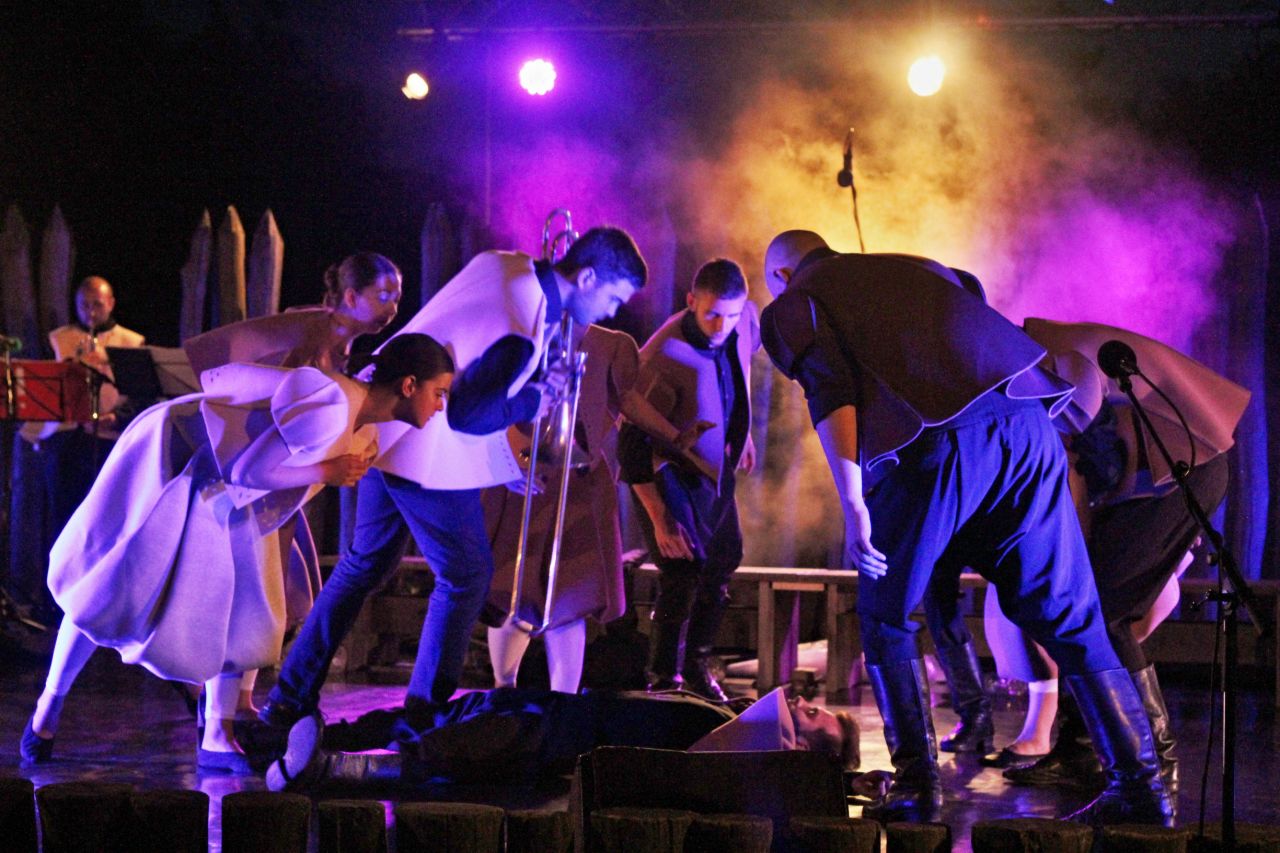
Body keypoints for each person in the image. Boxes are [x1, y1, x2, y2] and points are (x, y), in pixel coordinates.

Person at [758, 230, 1172, 826]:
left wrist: (854, 505)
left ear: (780, 276)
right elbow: (973, 302)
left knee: (884, 612)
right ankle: (1144, 792)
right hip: (1030, 426)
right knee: (1072, 618)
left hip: (940, 441)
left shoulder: (794, 302)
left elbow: (831, 390)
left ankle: (916, 788)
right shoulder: (919, 265)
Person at [260, 228, 648, 731]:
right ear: (588, 277)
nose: (612, 313)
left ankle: (287, 700)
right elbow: (468, 414)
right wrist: (534, 400)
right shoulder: (522, 328)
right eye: (614, 298)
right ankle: (424, 717)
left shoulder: (505, 265)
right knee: (465, 576)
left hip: (381, 423)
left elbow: (465, 362)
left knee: (363, 565)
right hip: (424, 447)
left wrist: (510, 431)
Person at [19, 334, 454, 773]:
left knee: (246, 605)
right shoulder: (335, 405)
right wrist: (327, 469)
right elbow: (247, 469)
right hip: (185, 465)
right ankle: (47, 710)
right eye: (438, 393)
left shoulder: (367, 428)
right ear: (408, 385)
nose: (440, 406)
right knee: (108, 589)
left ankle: (217, 732)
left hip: (239, 496)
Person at [979, 320, 1248, 813]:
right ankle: (1088, 752)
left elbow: (1078, 464)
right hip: (1159, 480)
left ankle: (1151, 764)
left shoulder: (1045, 361)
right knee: (1089, 614)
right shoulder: (1033, 359)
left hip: (1183, 470)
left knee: (1099, 615)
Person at [182, 252, 404, 715]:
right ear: (350, 296)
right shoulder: (311, 331)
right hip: (252, 478)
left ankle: (240, 700)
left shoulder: (345, 347)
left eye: (397, 297)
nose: (392, 307)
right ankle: (214, 698)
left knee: (272, 594)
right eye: (383, 295)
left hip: (280, 486)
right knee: (252, 593)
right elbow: (265, 400)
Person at [482, 322, 705, 695]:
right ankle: (504, 689)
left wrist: (674, 436)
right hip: (528, 473)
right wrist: (506, 462)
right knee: (516, 585)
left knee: (573, 591)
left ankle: (564, 702)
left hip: (582, 481)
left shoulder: (611, 344)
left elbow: (628, 400)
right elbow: (492, 401)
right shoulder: (522, 333)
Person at [264, 685, 859, 792]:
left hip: (550, 738)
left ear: (798, 748)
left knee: (442, 751)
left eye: (812, 717)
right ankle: (286, 744)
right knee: (436, 717)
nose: (802, 704)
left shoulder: (734, 746)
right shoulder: (729, 716)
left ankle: (321, 769)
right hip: (555, 708)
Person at [617, 258, 759, 702]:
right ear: (691, 301)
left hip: (711, 469)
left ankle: (697, 668)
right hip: (665, 472)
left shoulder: (743, 321)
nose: (721, 326)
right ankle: (664, 679)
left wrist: (742, 433)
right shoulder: (663, 356)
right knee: (682, 570)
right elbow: (631, 444)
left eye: (730, 315)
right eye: (711, 313)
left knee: (724, 558)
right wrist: (659, 517)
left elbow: (736, 374)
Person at [24, 276, 146, 570]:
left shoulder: (131, 341)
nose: (90, 312)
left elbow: (142, 395)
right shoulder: (59, 338)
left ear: (111, 304)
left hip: (110, 441)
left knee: (107, 520)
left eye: (97, 305)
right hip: (67, 442)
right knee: (64, 519)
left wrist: (118, 417)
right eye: (84, 305)